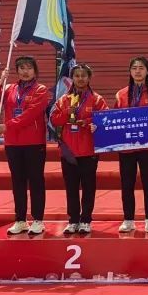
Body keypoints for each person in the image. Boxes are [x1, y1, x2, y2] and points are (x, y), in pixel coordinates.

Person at [0, 55, 50, 235]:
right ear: (17, 71)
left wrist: (7, 126)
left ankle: (38, 220)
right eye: (22, 68)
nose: (25, 72)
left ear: (35, 71)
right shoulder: (9, 89)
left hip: (34, 142)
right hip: (13, 142)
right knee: (18, 181)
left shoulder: (41, 90)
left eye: (29, 68)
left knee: (35, 181)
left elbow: (30, 114)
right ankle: (20, 220)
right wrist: (0, 82)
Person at [49, 64, 108, 234]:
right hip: (68, 151)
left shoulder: (97, 99)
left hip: (89, 150)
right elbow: (54, 120)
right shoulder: (63, 100)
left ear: (89, 78)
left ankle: (86, 220)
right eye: (76, 76)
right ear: (72, 78)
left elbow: (105, 119)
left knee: (88, 187)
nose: (80, 79)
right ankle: (73, 220)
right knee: (71, 188)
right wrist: (67, 113)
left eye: (83, 75)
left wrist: (87, 122)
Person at [114, 56, 148, 233]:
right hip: (126, 147)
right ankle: (128, 220)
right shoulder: (121, 94)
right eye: (134, 68)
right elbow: (113, 120)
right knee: (127, 183)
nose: (137, 71)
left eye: (141, 68)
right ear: (130, 72)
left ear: (147, 71)